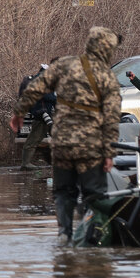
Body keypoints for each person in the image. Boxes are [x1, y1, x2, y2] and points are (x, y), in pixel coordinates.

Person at [9, 27, 122, 242]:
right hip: (90, 147)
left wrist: (19, 112)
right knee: (94, 193)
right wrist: (109, 152)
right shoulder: (108, 78)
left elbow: (34, 88)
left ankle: (64, 234)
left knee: (63, 191)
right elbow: (111, 120)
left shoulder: (63, 65)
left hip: (61, 144)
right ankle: (92, 237)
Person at [18, 61, 57, 170]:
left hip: (43, 114)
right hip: (42, 115)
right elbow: (48, 96)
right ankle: (26, 164)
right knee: (34, 139)